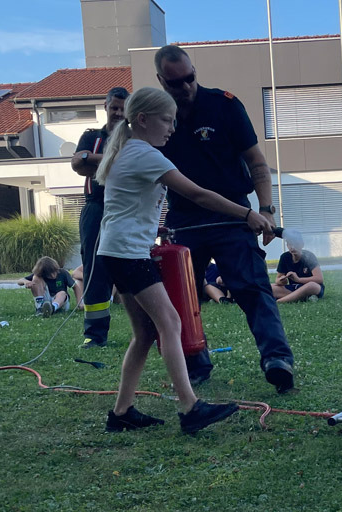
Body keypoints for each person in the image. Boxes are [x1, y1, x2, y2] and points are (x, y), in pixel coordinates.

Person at [95, 86, 260, 435]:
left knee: (144, 334)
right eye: (167, 120)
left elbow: (128, 206)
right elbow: (198, 194)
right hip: (127, 254)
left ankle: (121, 412)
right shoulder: (145, 154)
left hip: (115, 251)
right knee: (170, 323)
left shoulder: (128, 149)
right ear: (143, 119)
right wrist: (247, 214)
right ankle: (190, 407)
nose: (172, 128)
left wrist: (153, 228)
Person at [155, 44, 294, 393]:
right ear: (161, 81)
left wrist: (266, 209)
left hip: (234, 216)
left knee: (252, 287)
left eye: (189, 78)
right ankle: (194, 363)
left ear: (194, 72)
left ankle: (277, 359)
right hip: (185, 220)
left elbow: (257, 162)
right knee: (181, 297)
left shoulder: (225, 105)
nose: (185, 87)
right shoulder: (157, 117)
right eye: (175, 83)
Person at [71, 87, 129, 349]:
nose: (118, 113)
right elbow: (77, 164)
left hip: (126, 209)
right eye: (114, 107)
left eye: (122, 109)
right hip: (95, 208)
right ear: (105, 107)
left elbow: (128, 162)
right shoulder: (91, 136)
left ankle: (148, 330)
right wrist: (107, 159)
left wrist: (92, 160)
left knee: (133, 264)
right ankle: (95, 335)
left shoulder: (134, 137)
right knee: (94, 269)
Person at [273, 233, 324, 303]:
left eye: (295, 244)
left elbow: (319, 279)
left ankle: (280, 301)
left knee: (312, 286)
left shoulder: (309, 256)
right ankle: (301, 297)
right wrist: (282, 280)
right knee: (270, 287)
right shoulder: (284, 257)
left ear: (302, 245)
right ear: (287, 245)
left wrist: (298, 279)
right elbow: (278, 279)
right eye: (290, 244)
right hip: (294, 288)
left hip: (310, 287)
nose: (292, 247)